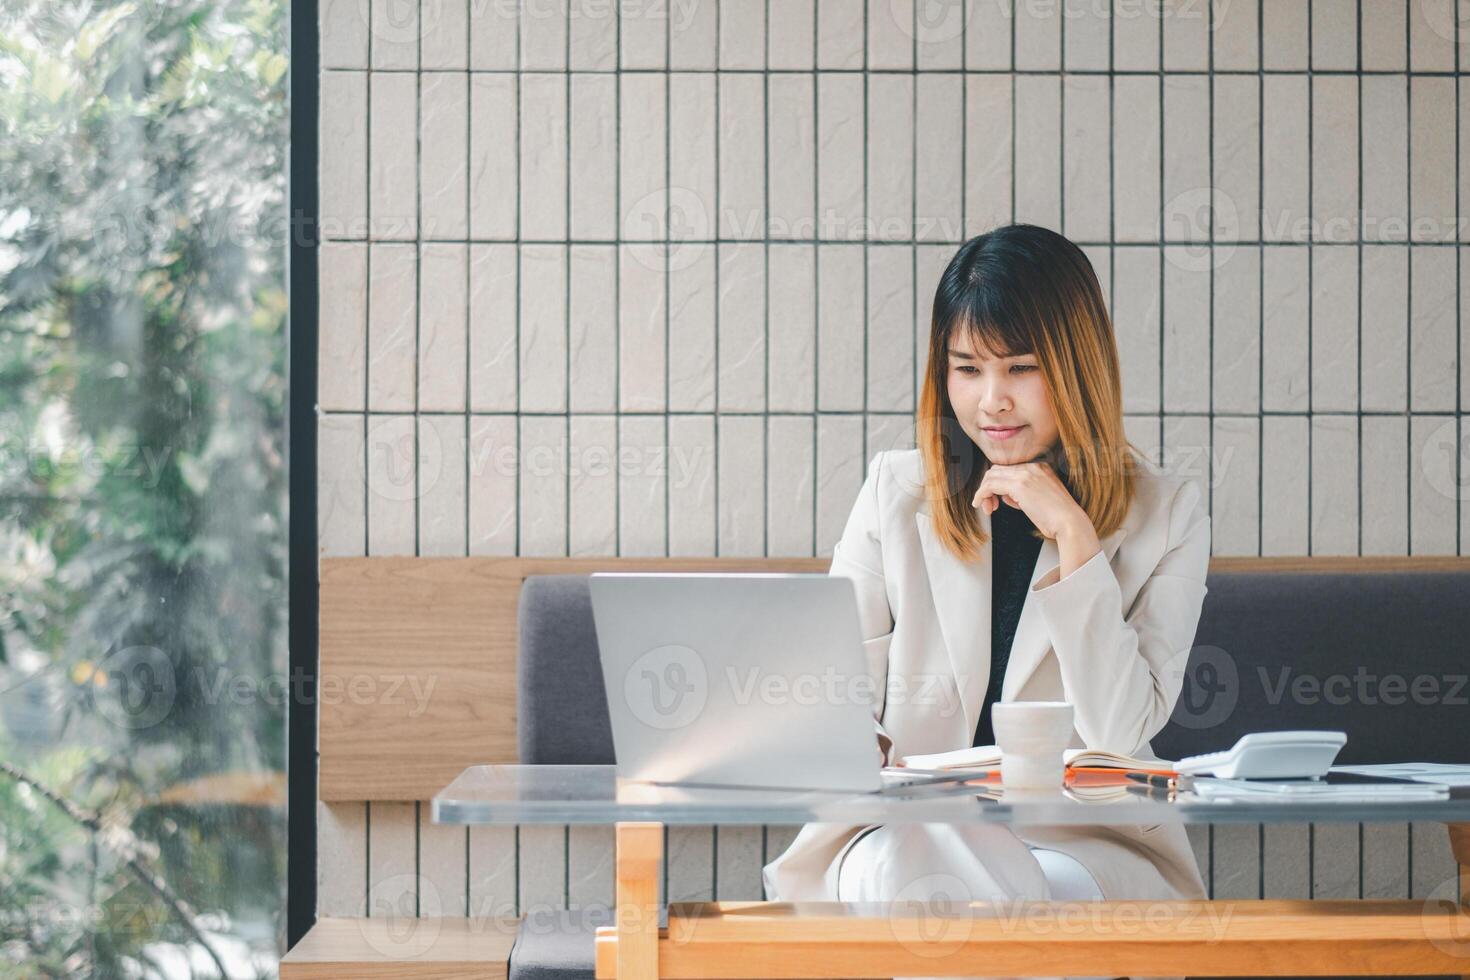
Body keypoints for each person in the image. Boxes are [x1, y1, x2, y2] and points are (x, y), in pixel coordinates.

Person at [761, 224, 1210, 980]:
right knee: (931, 869)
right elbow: (836, 691)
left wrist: (1074, 538)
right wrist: (845, 737)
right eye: (966, 369)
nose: (991, 400)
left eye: (1021, 368)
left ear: (1077, 367)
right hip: (900, 832)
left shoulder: (1166, 511)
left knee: (983, 899)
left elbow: (1122, 732)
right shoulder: (894, 493)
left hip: (1080, 843)